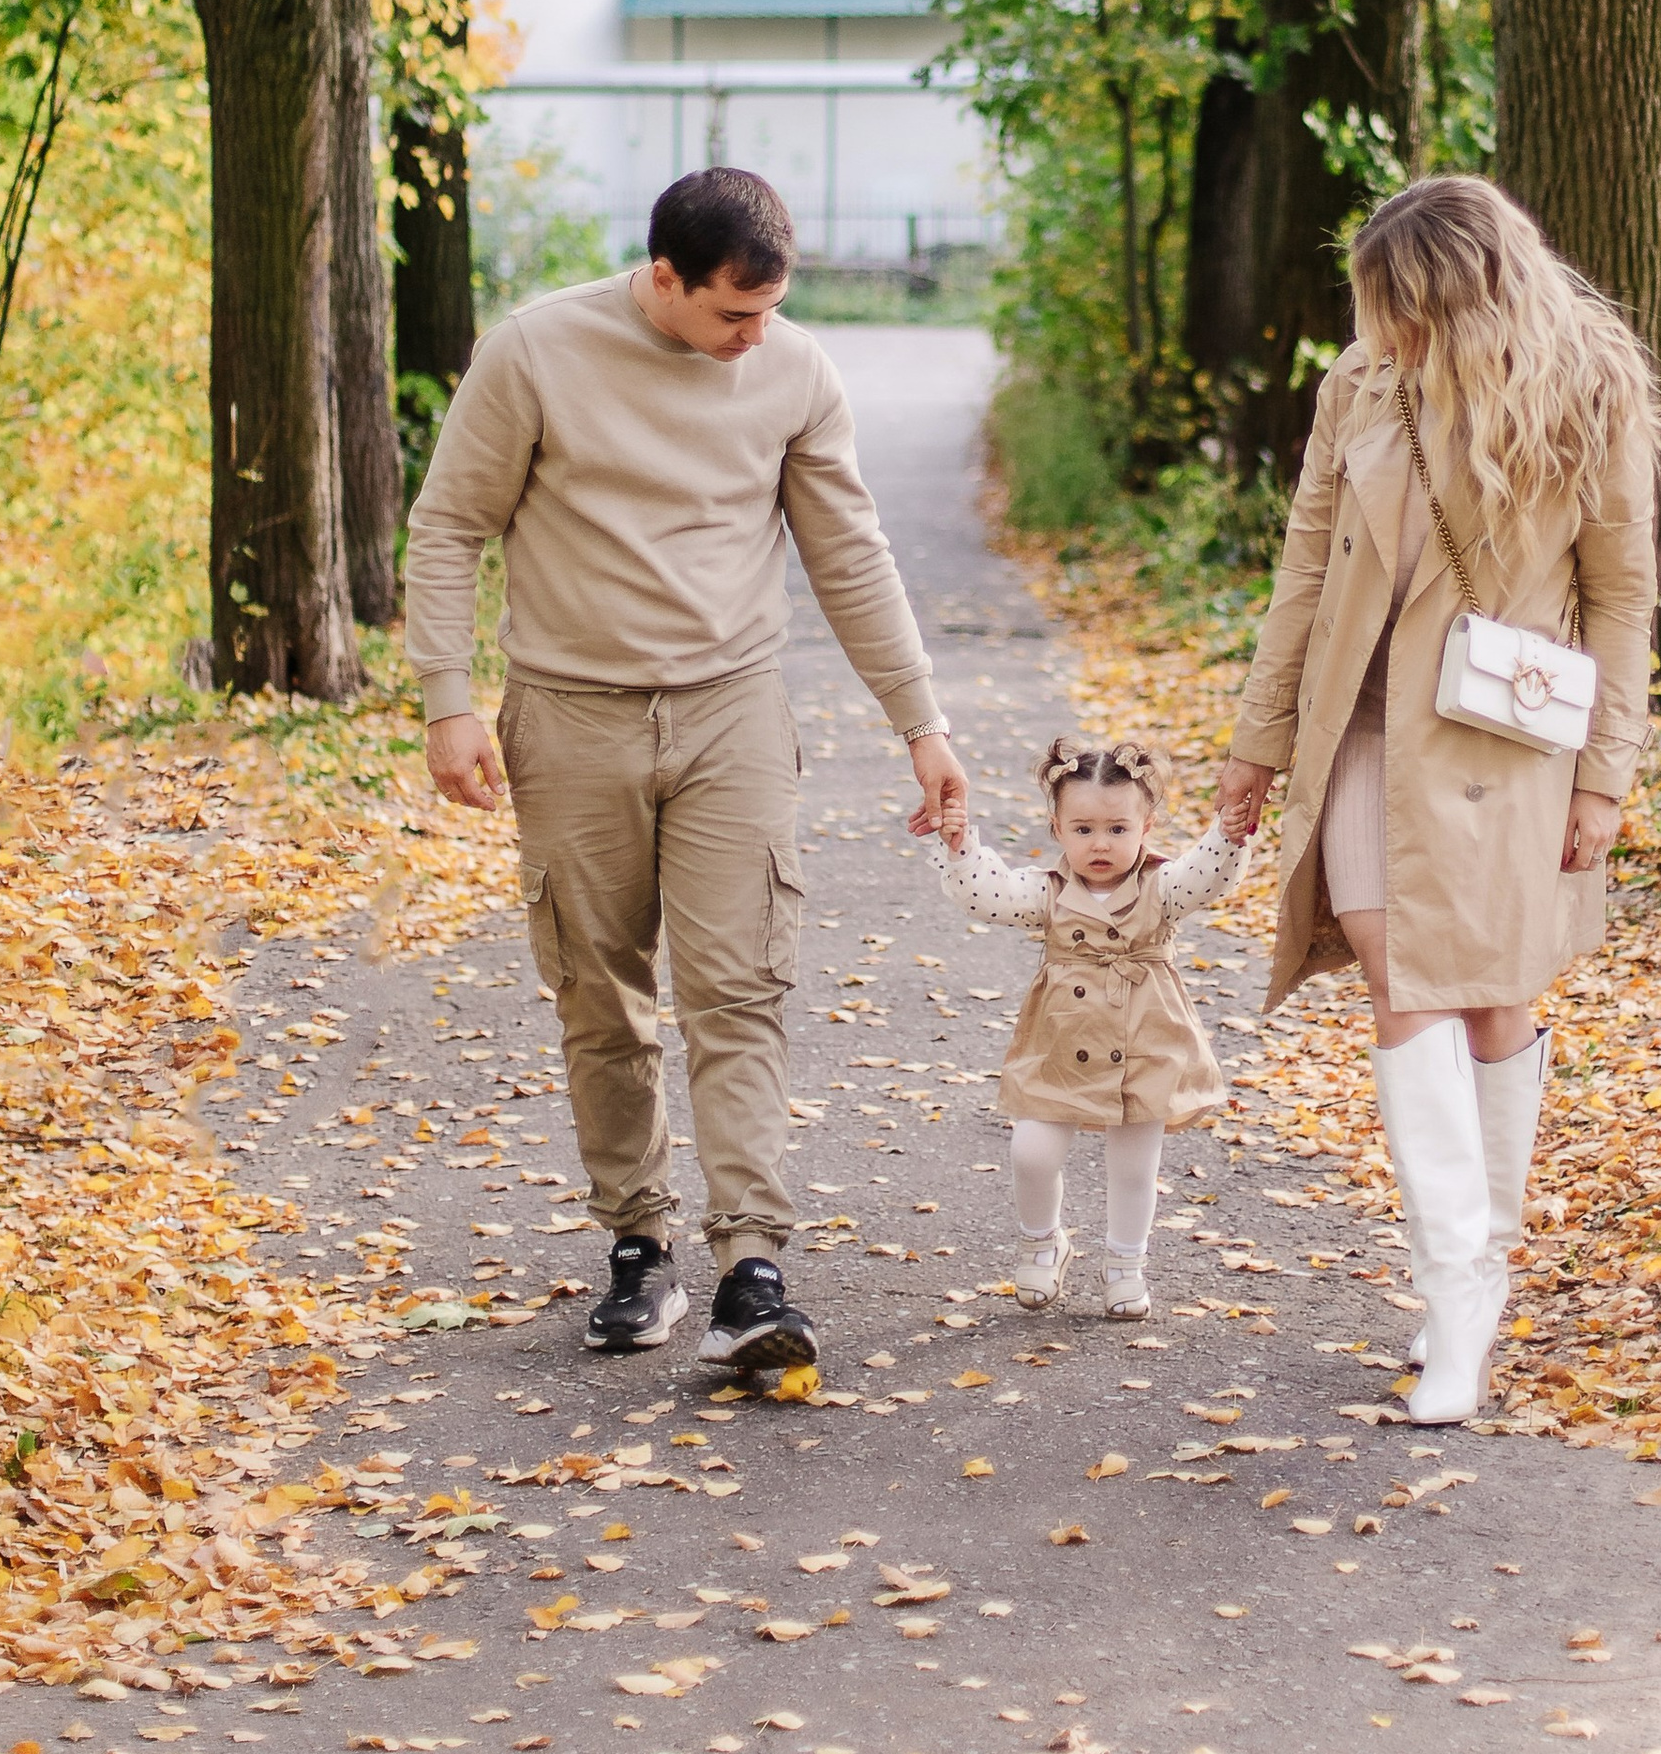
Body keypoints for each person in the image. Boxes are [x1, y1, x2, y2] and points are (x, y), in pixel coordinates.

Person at [407, 165, 966, 1386]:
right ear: (663, 277)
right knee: (599, 993)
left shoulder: (795, 373)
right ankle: (637, 1243)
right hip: (568, 715)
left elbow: (849, 554)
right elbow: (449, 524)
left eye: (769, 311)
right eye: (731, 314)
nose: (752, 337)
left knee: (741, 985)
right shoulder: (536, 354)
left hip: (732, 716)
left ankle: (752, 1264)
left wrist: (917, 721)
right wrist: (447, 702)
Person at [1216, 176, 1656, 1424]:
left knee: (1495, 996)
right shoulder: (1357, 386)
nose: (1377, 333)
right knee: (1397, 969)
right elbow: (1306, 569)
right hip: (1360, 717)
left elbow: (1623, 598)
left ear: (1458, 301)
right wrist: (1257, 744)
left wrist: (1606, 779)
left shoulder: (1590, 393)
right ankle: (1454, 1293)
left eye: (1396, 311)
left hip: (1504, 734)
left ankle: (1483, 1264)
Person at [939, 737, 1244, 1317]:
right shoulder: (1047, 892)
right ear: (1057, 828)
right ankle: (1042, 1243)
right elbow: (989, 896)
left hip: (1146, 1039)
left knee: (1133, 1164)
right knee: (1032, 1150)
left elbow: (1208, 878)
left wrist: (1227, 834)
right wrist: (960, 846)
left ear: (1146, 826)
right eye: (1082, 830)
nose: (1100, 843)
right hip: (1061, 1040)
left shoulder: (1161, 887)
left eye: (1116, 829)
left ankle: (1126, 1265)